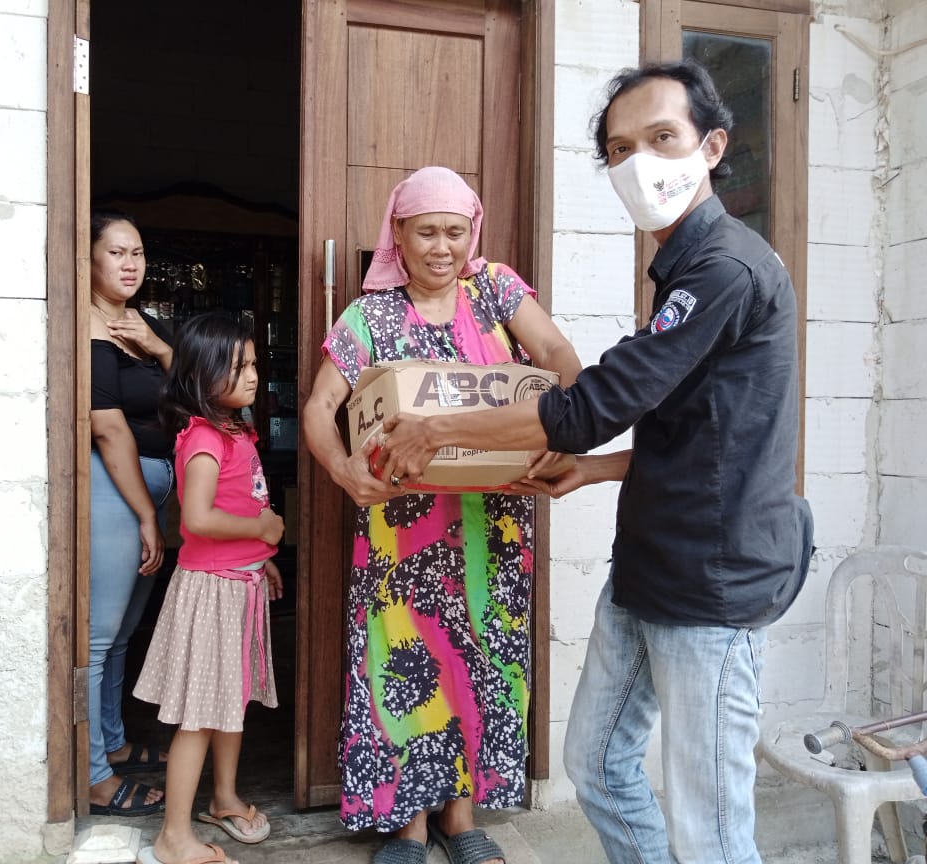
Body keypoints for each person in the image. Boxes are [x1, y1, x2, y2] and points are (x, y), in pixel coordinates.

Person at [377, 62, 815, 864]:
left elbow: (586, 405)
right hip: (650, 564)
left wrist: (438, 428)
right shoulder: (684, 266)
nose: (639, 162)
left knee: (710, 827)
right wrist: (598, 472)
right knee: (600, 767)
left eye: (662, 138)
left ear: (711, 146)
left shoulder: (724, 267)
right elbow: (699, 433)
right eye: (620, 148)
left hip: (711, 587)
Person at [302, 166, 582, 864]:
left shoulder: (495, 289)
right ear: (398, 234)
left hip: (492, 523)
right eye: (426, 231)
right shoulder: (371, 316)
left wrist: (569, 427)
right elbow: (317, 406)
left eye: (455, 232)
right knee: (407, 666)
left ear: (472, 233)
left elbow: (555, 356)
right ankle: (408, 826)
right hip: (403, 531)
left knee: (481, 662)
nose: (441, 247)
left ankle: (461, 820)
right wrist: (342, 472)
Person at [133, 312, 285, 864]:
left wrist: (261, 558)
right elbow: (195, 520)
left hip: (239, 584)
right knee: (199, 714)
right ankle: (173, 836)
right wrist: (262, 529)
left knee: (230, 703)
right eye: (238, 366)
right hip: (212, 592)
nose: (252, 376)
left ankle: (223, 799)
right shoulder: (201, 437)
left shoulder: (234, 431)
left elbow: (237, 501)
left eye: (253, 364)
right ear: (202, 373)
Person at [88, 210, 175, 817]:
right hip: (115, 489)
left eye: (137, 252)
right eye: (117, 252)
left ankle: (113, 745)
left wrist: (159, 346)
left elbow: (200, 390)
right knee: (97, 637)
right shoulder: (86, 327)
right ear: (90, 259)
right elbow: (109, 429)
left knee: (122, 635)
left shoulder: (143, 326)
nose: (129, 264)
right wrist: (147, 515)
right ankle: (93, 776)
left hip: (156, 485)